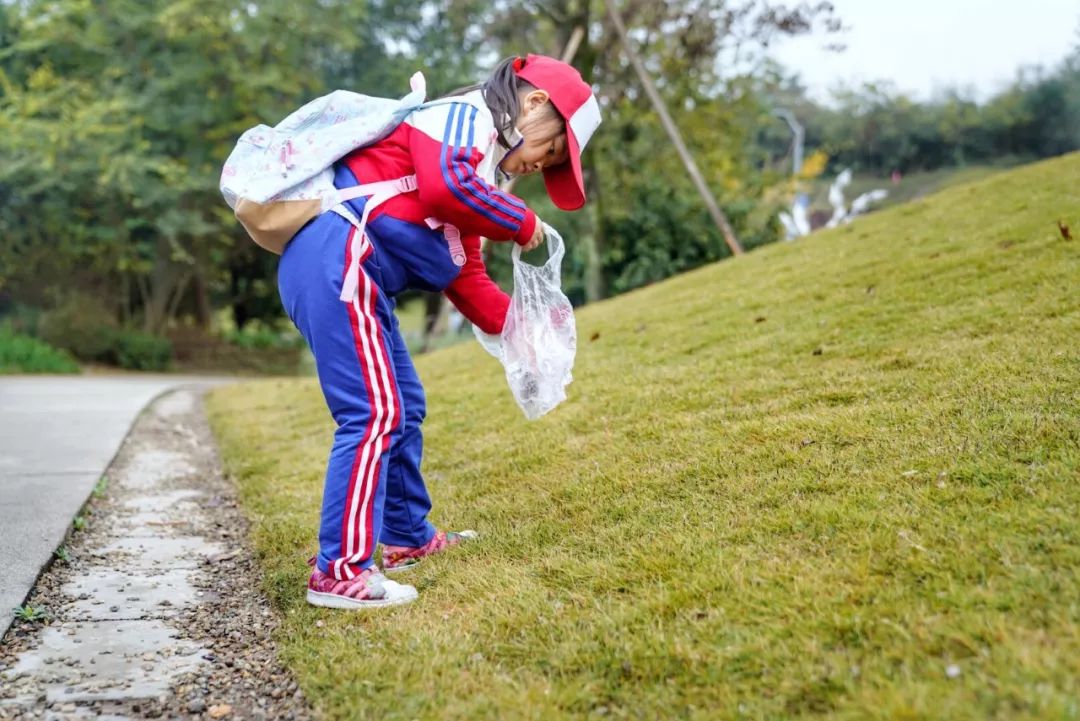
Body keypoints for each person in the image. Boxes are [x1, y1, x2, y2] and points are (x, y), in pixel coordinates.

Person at [277, 54, 602, 609]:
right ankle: (339, 570)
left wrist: (527, 331)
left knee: (405, 403)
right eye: (550, 150)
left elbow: (466, 277)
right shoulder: (460, 117)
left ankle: (405, 538)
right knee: (374, 412)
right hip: (336, 256)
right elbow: (442, 187)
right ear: (534, 104)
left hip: (350, 271)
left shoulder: (478, 173)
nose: (540, 168)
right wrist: (520, 223)